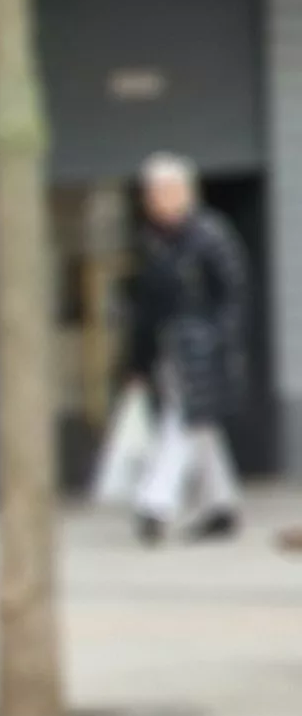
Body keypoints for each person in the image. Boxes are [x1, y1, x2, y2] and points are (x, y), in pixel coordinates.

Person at [118, 152, 249, 545]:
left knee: (185, 421)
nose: (154, 200)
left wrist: (218, 339)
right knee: (201, 426)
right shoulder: (152, 244)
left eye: (161, 191)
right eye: (150, 192)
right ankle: (220, 506)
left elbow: (233, 294)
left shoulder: (210, 236)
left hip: (202, 350)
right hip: (168, 349)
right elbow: (145, 309)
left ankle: (155, 504)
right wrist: (137, 362)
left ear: (182, 192)